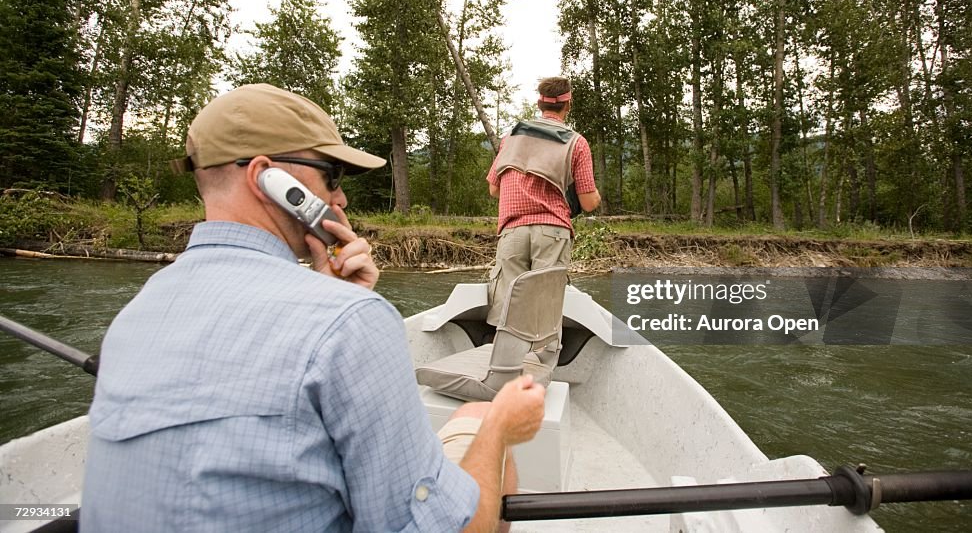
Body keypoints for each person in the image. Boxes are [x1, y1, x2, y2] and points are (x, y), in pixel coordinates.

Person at [81, 83, 546, 532]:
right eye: (331, 176)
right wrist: (502, 429)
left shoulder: (135, 313)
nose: (339, 198)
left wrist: (337, 295)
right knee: (478, 419)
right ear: (267, 177)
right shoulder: (346, 323)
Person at [485, 77, 601, 324]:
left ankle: (506, 359)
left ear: (539, 104)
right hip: (552, 232)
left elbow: (494, 189)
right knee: (543, 313)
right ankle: (540, 359)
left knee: (508, 309)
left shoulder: (511, 137)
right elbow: (589, 203)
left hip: (512, 231)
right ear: (567, 105)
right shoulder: (577, 142)